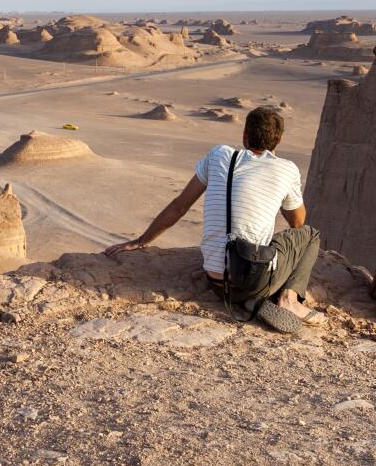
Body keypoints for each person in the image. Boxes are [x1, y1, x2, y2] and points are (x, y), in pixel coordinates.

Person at [103, 107, 325, 328]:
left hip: (217, 283)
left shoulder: (219, 155)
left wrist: (141, 240)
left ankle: (250, 299)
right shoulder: (286, 168)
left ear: (244, 135)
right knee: (309, 235)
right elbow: (297, 223)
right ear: (279, 140)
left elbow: (179, 206)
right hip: (253, 277)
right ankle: (289, 299)